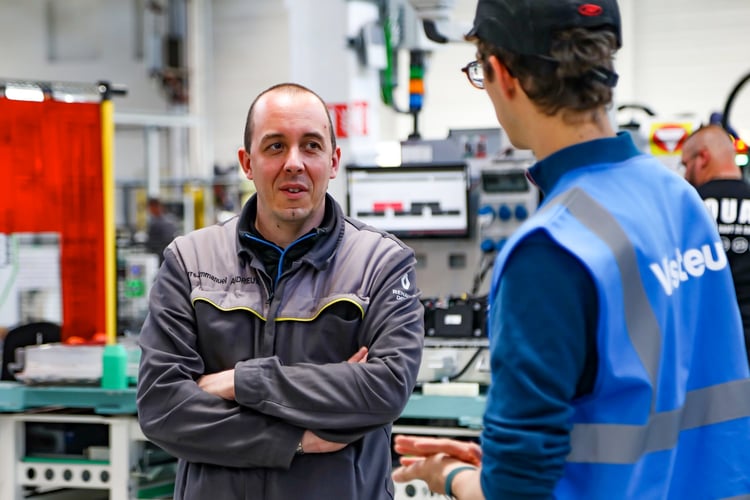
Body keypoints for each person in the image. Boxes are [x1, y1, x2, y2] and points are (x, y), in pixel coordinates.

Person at [392, 0, 750, 499]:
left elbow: (518, 494)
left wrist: (445, 474)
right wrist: (504, 464)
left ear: (502, 75)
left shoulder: (549, 251)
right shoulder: (679, 198)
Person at [136, 82, 424, 499]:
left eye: (311, 146)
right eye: (274, 147)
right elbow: (163, 408)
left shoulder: (381, 263)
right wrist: (296, 440)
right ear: (247, 162)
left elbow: (384, 389)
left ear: (333, 160)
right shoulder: (189, 261)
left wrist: (241, 381)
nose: (294, 163)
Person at [682, 124, 750, 365]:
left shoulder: (685, 208)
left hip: (705, 349)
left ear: (702, 158)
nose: (685, 173)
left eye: (685, 164)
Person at [145, 197, 178, 264]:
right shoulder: (170, 218)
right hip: (166, 253)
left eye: (151, 208)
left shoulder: (159, 222)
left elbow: (154, 242)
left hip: (160, 255)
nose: (150, 210)